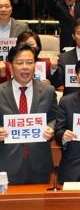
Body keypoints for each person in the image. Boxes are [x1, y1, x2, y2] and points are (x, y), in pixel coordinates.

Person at [0, 44, 58, 184]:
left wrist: (51, 127)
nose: (25, 67)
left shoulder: (48, 91)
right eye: (20, 63)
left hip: (39, 163)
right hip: (7, 163)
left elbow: (55, 118)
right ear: (10, 65)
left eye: (29, 62)